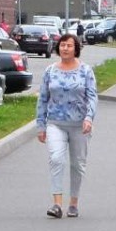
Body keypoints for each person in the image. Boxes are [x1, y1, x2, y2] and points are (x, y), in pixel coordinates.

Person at [35, 33, 97, 218]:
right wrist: (41, 125)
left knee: (77, 164)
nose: (65, 48)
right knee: (56, 158)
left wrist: (89, 118)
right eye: (62, 45)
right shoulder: (50, 71)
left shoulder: (86, 71)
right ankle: (57, 204)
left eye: (69, 45)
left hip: (80, 125)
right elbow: (43, 98)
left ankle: (73, 203)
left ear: (76, 48)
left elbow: (92, 97)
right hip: (56, 123)